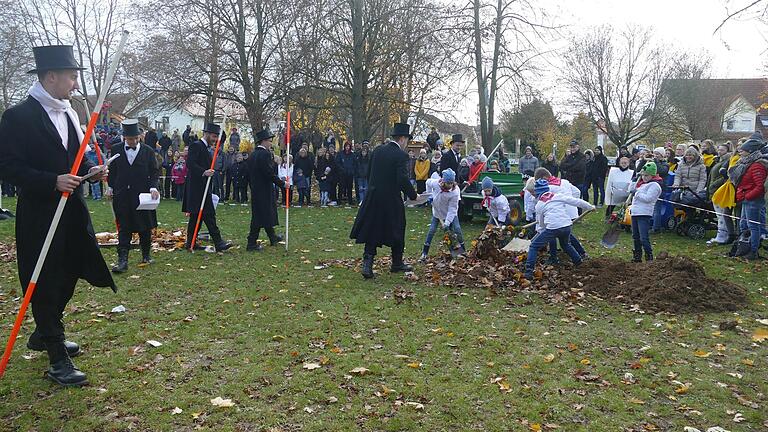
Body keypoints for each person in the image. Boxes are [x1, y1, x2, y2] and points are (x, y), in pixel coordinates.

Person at [0, 44, 114, 386]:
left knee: (69, 271)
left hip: (72, 211)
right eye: (72, 76)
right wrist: (52, 181)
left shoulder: (69, 114)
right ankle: (55, 353)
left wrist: (93, 171)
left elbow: (74, 161)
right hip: (40, 213)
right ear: (51, 77)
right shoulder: (17, 117)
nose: (76, 84)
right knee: (45, 278)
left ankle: (45, 332)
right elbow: (7, 167)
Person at [350, 123, 418, 278]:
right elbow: (402, 179)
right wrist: (413, 196)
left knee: (372, 229)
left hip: (373, 196)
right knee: (398, 227)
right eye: (406, 139)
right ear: (402, 139)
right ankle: (397, 262)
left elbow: (369, 173)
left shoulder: (377, 151)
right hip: (391, 199)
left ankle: (367, 265)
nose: (406, 143)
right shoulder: (401, 155)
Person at [107, 119, 160, 273]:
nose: (134, 141)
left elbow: (154, 172)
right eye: (131, 139)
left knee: (145, 226)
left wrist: (153, 188)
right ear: (124, 138)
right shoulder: (116, 149)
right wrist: (110, 187)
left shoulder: (148, 151)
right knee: (124, 228)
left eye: (136, 138)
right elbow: (113, 171)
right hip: (122, 195)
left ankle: (146, 255)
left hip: (142, 196)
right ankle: (122, 260)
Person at [524, 179, 595, 280]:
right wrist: (590, 206)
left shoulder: (539, 205)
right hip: (567, 226)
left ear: (537, 193)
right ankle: (579, 263)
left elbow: (541, 223)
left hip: (553, 228)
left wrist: (541, 230)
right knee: (566, 245)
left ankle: (528, 272)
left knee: (534, 246)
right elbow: (575, 201)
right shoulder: (557, 196)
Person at [182, 122, 233, 252]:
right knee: (209, 214)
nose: (215, 140)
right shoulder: (196, 146)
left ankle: (191, 242)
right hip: (196, 187)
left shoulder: (207, 147)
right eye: (214, 136)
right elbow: (190, 164)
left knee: (196, 217)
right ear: (206, 134)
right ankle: (218, 242)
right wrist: (204, 172)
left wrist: (222, 134)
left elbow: (222, 139)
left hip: (203, 186)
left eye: (217, 137)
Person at [534, 167, 589, 261]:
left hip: (557, 213)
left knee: (553, 234)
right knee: (566, 234)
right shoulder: (564, 181)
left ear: (544, 178)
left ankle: (553, 257)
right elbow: (577, 192)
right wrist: (571, 203)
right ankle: (581, 252)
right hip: (569, 210)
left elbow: (543, 202)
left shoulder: (548, 188)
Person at [246, 129, 286, 251]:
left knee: (265, 213)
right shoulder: (264, 154)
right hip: (263, 189)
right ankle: (251, 243)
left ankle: (273, 237)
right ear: (263, 141)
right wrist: (283, 184)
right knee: (259, 216)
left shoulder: (253, 154)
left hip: (256, 189)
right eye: (269, 141)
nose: (271, 143)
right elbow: (268, 173)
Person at [731, 132, 767, 260]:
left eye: (744, 149)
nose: (740, 151)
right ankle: (743, 248)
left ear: (750, 151)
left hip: (753, 200)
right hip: (745, 198)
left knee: (753, 226)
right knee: (743, 225)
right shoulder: (746, 163)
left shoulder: (757, 165)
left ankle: (752, 250)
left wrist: (748, 196)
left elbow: (760, 186)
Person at [420, 168, 465, 260]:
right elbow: (427, 182)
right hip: (437, 213)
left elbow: (452, 209)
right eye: (448, 183)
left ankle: (462, 251)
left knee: (457, 229)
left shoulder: (455, 192)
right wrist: (430, 194)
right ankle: (424, 252)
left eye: (451, 183)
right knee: (432, 230)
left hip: (451, 214)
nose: (450, 185)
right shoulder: (436, 183)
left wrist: (447, 223)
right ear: (443, 181)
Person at [629, 162, 663, 262]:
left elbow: (648, 198)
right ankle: (637, 256)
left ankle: (649, 256)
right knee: (635, 236)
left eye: (646, 175)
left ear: (652, 175)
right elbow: (630, 190)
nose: (644, 177)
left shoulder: (655, 186)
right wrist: (634, 180)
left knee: (643, 237)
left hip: (644, 213)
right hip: (635, 212)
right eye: (643, 175)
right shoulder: (641, 184)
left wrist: (637, 193)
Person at [707, 142, 735, 245]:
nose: (719, 151)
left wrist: (713, 185)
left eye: (722, 150)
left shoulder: (727, 161)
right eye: (719, 149)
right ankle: (721, 234)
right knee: (719, 215)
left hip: (721, 190)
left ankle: (722, 235)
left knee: (722, 215)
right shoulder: (718, 161)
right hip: (714, 189)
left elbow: (724, 176)